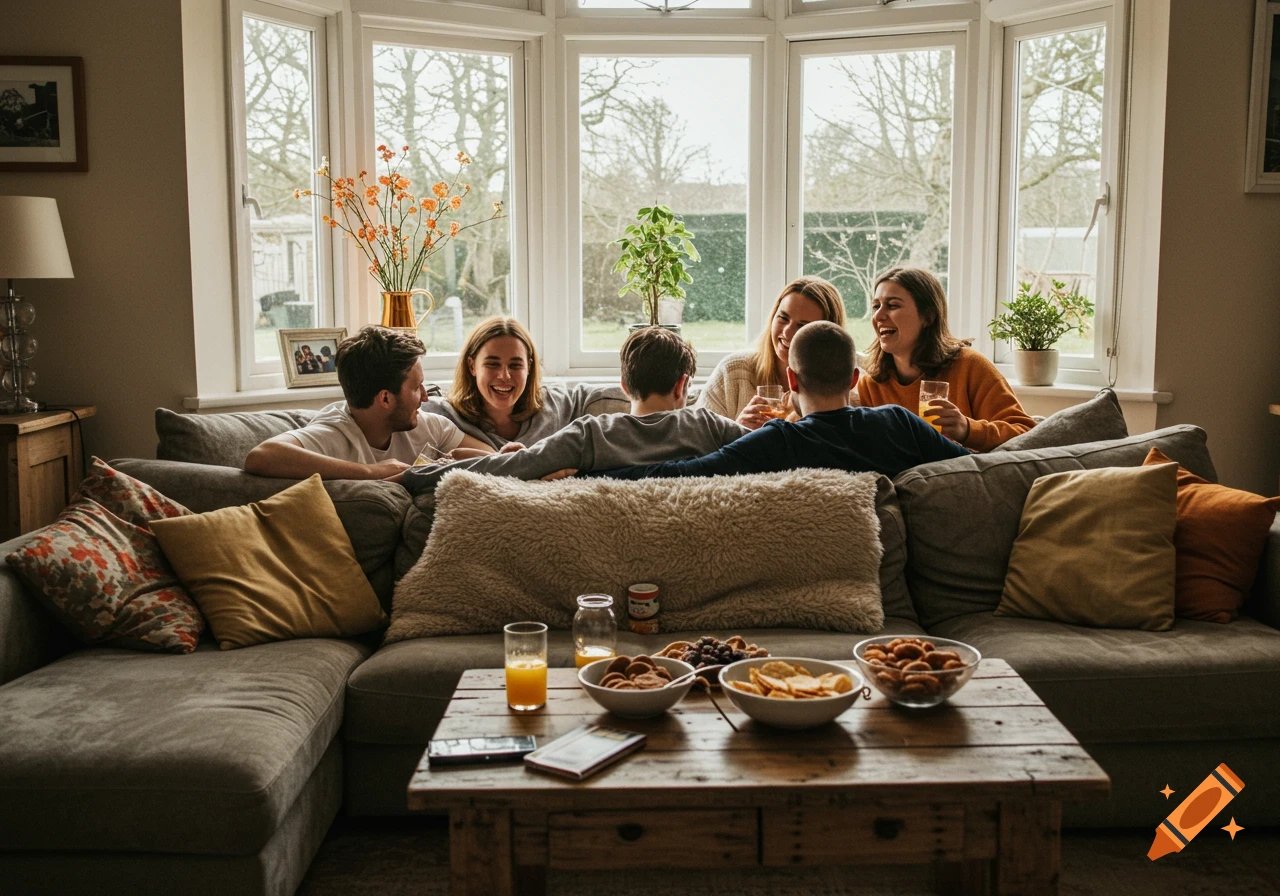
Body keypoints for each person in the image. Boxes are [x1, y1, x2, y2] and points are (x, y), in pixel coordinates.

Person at [589, 321, 969, 481]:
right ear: (854, 379)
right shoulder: (899, 424)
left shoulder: (778, 441)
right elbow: (971, 467)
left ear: (791, 379)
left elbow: (681, 474)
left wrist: (585, 474)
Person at [401, 326, 748, 492]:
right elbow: (780, 448)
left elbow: (508, 465)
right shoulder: (711, 427)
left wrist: (410, 475)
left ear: (624, 387)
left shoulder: (591, 435)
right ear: (683, 386)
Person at [244, 326, 495, 480]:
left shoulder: (430, 426)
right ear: (385, 398)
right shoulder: (335, 434)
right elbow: (261, 457)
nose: (426, 396)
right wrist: (370, 472)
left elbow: (495, 460)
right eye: (416, 387)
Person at [857, 266, 1035, 452]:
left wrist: (967, 429)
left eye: (893, 305)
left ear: (928, 317)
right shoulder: (870, 385)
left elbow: (1027, 433)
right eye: (876, 306)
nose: (878, 316)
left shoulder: (970, 366)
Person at [422, 316, 619, 450]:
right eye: (492, 364)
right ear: (472, 366)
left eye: (515, 365)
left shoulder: (556, 406)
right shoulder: (443, 415)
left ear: (529, 368)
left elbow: (609, 397)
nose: (504, 376)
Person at [696, 276, 847, 431]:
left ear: (828, 335)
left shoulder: (844, 386)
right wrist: (736, 430)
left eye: (802, 326)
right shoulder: (732, 373)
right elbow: (698, 443)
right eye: (783, 318)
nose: (787, 331)